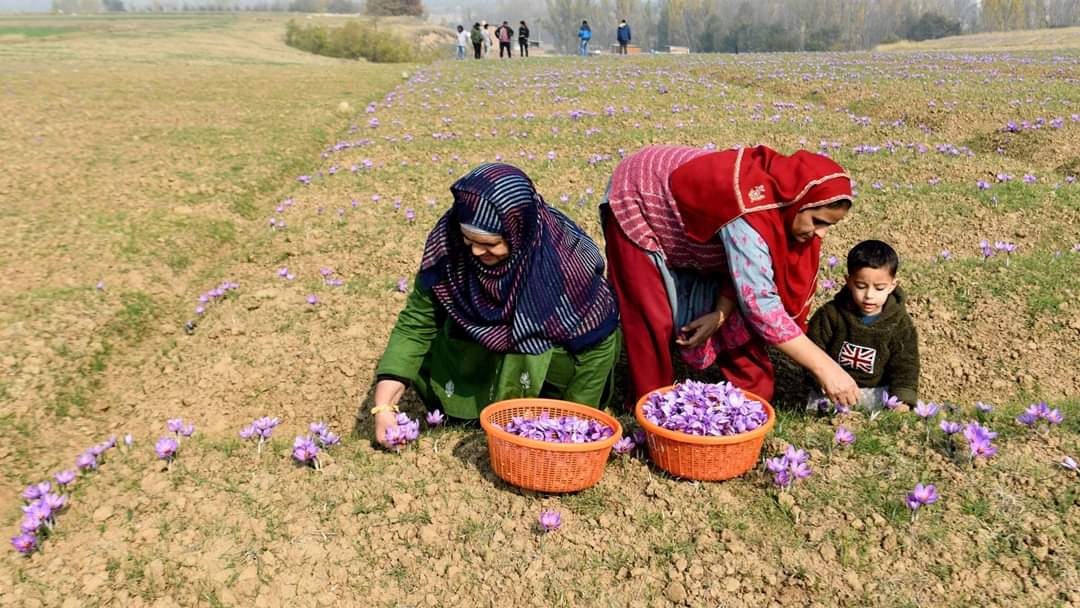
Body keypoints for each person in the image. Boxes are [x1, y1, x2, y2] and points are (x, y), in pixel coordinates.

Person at [370, 164, 622, 448]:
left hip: (544, 370)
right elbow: (416, 323)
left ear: (518, 234)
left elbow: (598, 346)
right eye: (469, 240)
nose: (475, 252)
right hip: (478, 354)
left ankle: (528, 414)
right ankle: (472, 406)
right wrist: (383, 407)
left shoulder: (565, 265)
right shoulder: (450, 245)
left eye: (489, 244)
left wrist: (576, 423)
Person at [602, 144, 861, 408]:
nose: (821, 234)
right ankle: (652, 407)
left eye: (830, 225)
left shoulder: (778, 212)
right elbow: (760, 306)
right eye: (818, 221)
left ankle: (750, 399)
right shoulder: (750, 216)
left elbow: (745, 274)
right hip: (639, 196)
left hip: (697, 218)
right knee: (651, 315)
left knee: (740, 309)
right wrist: (825, 368)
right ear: (796, 201)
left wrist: (721, 312)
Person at [805, 240, 919, 411]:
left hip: (876, 390)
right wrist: (821, 381)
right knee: (818, 405)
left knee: (888, 403)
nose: (869, 296)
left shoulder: (899, 323)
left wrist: (903, 398)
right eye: (861, 286)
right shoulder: (830, 315)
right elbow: (812, 350)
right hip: (833, 389)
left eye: (879, 288)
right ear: (848, 281)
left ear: (892, 286)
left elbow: (906, 364)